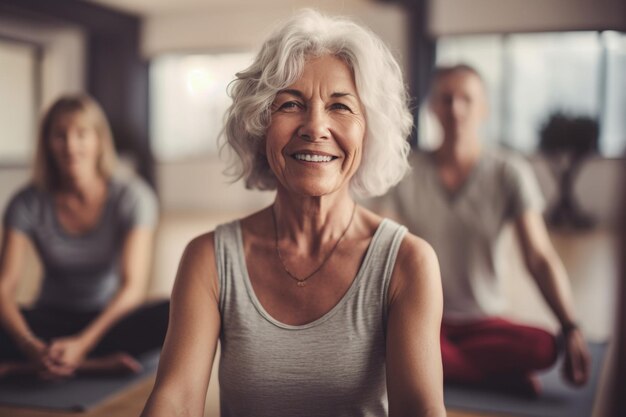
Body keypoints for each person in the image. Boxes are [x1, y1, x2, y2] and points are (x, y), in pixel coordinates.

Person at [141, 9, 445, 417]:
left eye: (340, 106)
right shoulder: (208, 260)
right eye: (290, 104)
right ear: (260, 123)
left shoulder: (408, 262)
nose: (315, 126)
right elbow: (175, 402)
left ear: (368, 129)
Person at [373, 64, 591, 396]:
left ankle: (439, 369)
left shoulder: (509, 173)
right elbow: (382, 247)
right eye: (445, 99)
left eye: (466, 99)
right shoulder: (404, 171)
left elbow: (539, 257)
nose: (455, 108)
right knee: (386, 342)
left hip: (486, 322)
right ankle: (493, 376)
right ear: (432, 107)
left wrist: (571, 326)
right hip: (423, 316)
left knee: (545, 347)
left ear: (484, 108)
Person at [0, 94, 168, 379]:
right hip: (49, 319)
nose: (70, 146)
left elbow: (132, 287)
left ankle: (53, 363)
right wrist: (29, 345)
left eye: (81, 134)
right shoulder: (26, 202)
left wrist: (83, 343)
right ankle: (87, 365)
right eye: (60, 136)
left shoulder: (133, 197)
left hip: (106, 320)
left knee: (175, 313)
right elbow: (4, 287)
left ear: (99, 141)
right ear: (47, 144)